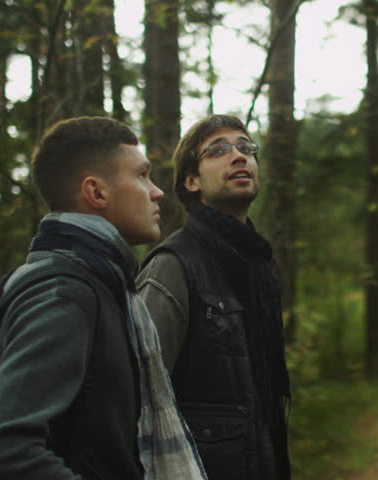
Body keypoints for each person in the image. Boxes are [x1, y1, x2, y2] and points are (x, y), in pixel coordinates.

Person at [0, 117, 207, 479]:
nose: (157, 191)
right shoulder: (63, 296)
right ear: (96, 193)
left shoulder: (101, 286)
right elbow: (1, 451)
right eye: (142, 175)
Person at [137, 114, 291, 479]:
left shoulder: (256, 264)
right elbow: (139, 398)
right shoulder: (173, 266)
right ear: (192, 181)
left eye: (245, 147)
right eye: (218, 150)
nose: (239, 156)